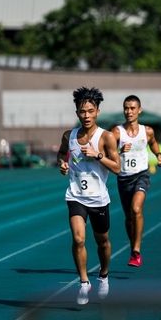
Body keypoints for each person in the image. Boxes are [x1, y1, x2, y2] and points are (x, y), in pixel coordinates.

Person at [57, 87, 121, 305]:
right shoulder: (69, 136)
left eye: (90, 111)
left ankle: (103, 275)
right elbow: (60, 154)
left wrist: (98, 155)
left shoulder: (107, 137)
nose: (86, 115)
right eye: (82, 111)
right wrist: (63, 164)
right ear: (77, 113)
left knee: (102, 242)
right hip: (75, 196)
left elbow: (117, 168)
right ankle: (84, 282)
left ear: (97, 112)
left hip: (99, 199)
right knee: (78, 239)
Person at [111, 95, 161, 267]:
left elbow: (153, 143)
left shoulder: (147, 131)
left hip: (141, 175)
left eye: (132, 108)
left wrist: (159, 155)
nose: (129, 112)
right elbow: (106, 151)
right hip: (123, 178)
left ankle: (136, 251)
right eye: (126, 108)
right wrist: (119, 149)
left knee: (136, 208)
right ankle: (133, 243)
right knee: (128, 218)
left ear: (139, 110)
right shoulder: (117, 132)